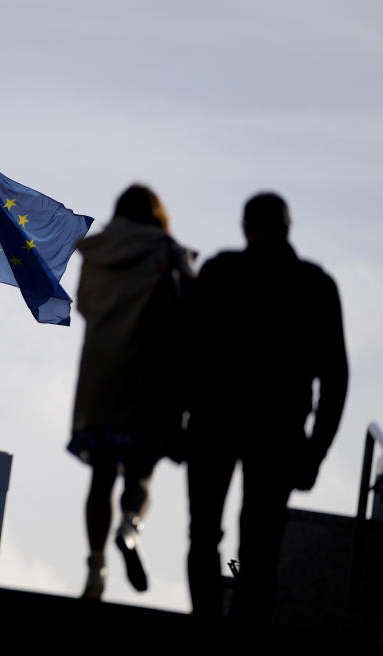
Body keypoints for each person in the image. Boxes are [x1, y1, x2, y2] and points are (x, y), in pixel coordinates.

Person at [186, 192, 348, 623]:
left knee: (204, 535)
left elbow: (185, 352)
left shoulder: (219, 271)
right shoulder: (316, 285)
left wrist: (178, 422)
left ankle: (205, 617)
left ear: (246, 228)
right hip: (280, 432)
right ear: (287, 229)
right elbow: (337, 379)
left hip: (213, 423)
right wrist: (316, 451)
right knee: (260, 548)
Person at [68, 184, 195, 600]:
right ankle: (130, 527)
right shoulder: (166, 250)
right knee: (140, 471)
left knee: (101, 475)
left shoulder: (97, 252)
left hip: (101, 375)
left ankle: (94, 566)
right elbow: (187, 309)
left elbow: (85, 306)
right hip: (149, 376)